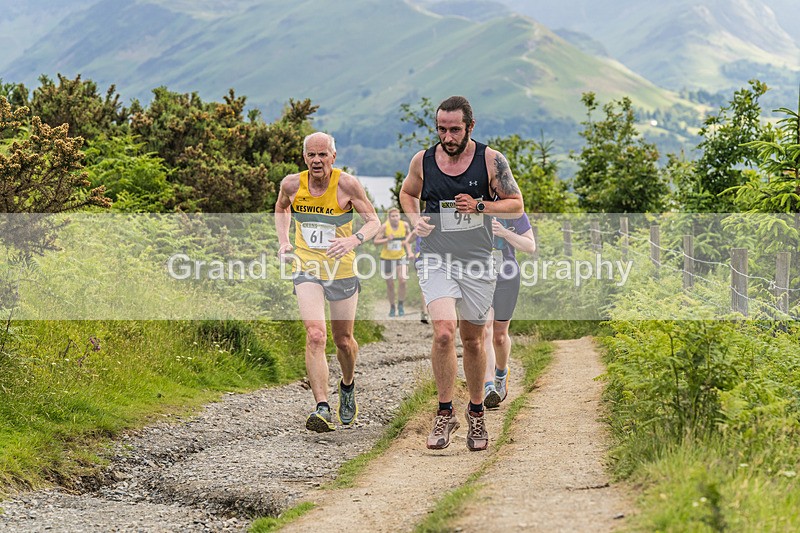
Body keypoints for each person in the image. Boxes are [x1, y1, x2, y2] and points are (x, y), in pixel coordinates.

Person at [399, 96, 524, 451]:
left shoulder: (491, 160)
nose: (447, 136)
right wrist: (415, 219)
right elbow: (408, 193)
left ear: (470, 126)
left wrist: (481, 205)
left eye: (455, 129)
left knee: (472, 339)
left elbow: (516, 205)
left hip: (478, 260)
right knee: (443, 332)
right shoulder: (423, 160)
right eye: (441, 129)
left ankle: (476, 413)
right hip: (436, 255)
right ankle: (444, 412)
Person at [275, 132, 381, 432]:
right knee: (315, 335)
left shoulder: (347, 184)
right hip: (306, 267)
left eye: (323, 155)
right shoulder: (292, 184)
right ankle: (321, 406)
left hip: (341, 270)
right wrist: (284, 242)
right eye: (312, 155)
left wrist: (353, 240)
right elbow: (281, 208)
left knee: (343, 341)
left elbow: (374, 222)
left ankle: (347, 386)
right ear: (304, 156)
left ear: (333, 157)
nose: (317, 160)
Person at [483, 214, 535, 408]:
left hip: (507, 275)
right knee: (485, 328)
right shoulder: (474, 203)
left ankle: (501, 373)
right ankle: (488, 386)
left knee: (500, 336)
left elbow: (530, 246)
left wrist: (504, 233)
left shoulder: (514, 211)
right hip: (478, 273)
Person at [372, 207, 412, 317]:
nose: (395, 218)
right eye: (392, 216)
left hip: (401, 257)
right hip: (387, 258)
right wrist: (387, 239)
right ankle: (392, 307)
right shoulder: (385, 227)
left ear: (399, 216)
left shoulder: (404, 225)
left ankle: (400, 304)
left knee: (403, 280)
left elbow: (409, 238)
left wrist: (409, 250)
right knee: (390, 284)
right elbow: (375, 241)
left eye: (397, 216)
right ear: (389, 217)